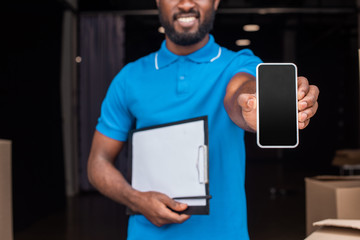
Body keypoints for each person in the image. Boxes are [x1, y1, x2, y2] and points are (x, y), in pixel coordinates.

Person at [87, 0, 319, 239]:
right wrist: (136, 200)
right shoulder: (128, 78)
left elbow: (240, 90)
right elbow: (98, 162)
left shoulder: (238, 64)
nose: (186, 3)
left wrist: (250, 103)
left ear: (216, 1)